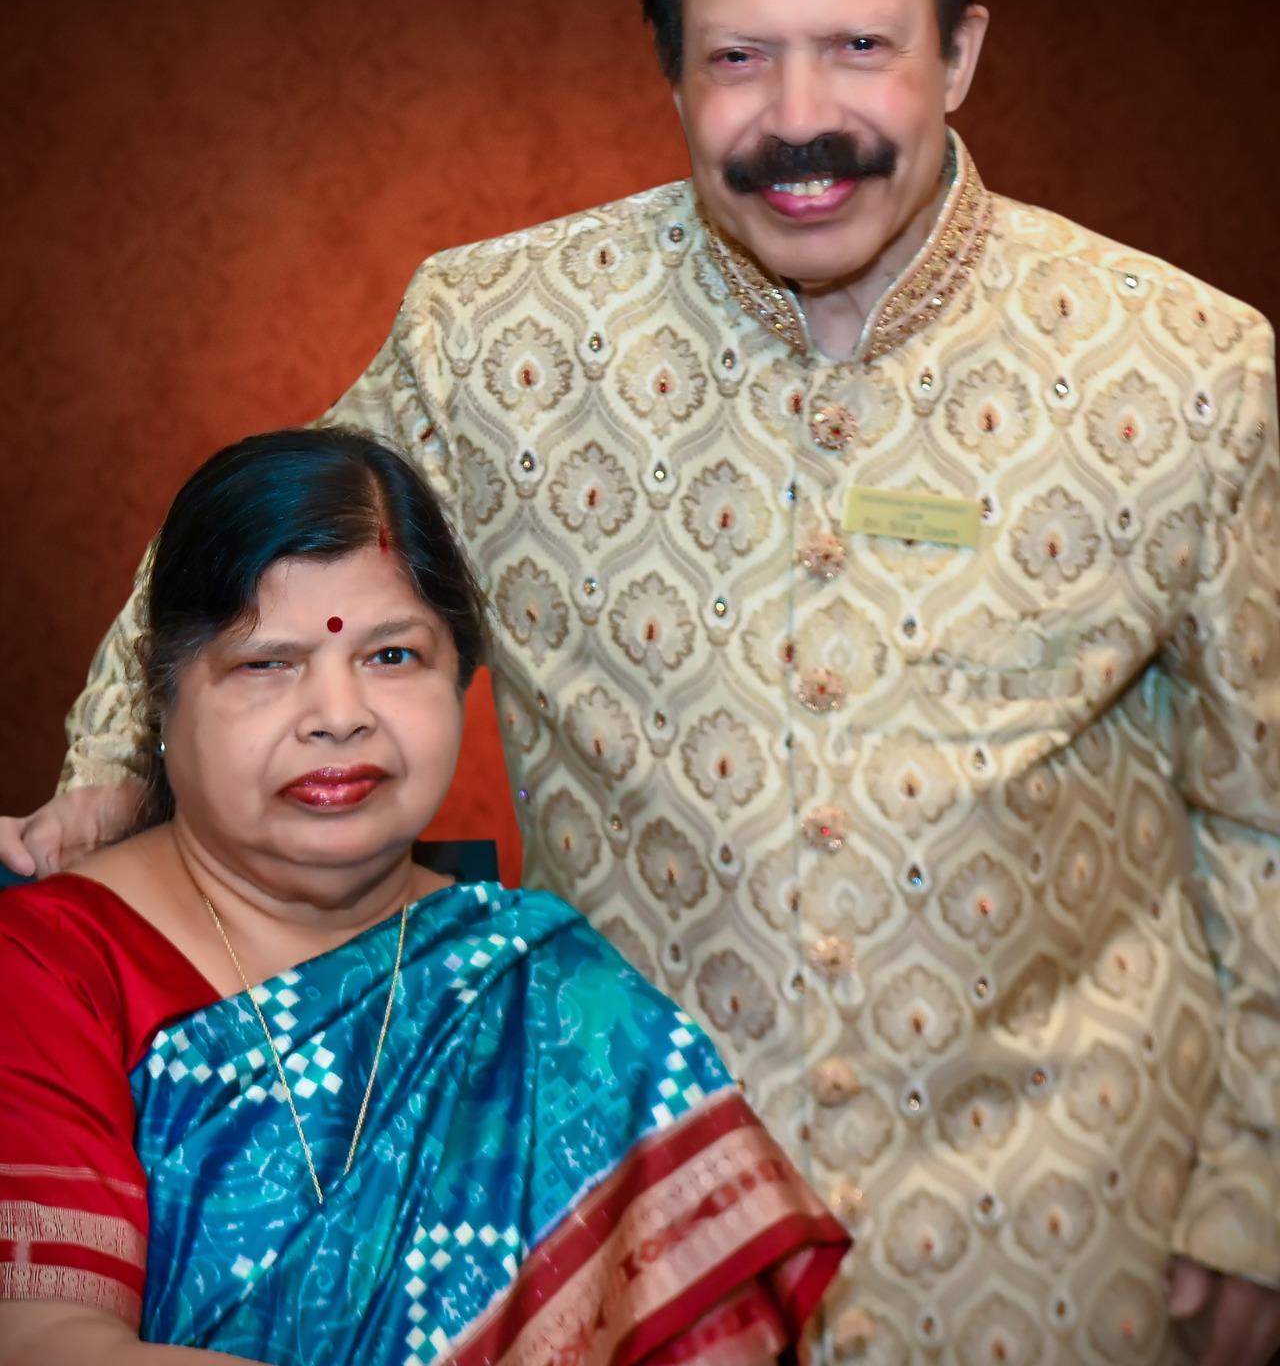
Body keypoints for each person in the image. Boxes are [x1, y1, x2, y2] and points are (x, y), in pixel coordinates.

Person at [4, 0, 1279, 1365]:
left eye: (861, 46)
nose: (799, 117)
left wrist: (1255, 1188)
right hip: (617, 1244)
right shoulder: (499, 344)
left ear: (959, 52)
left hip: (1064, 1236)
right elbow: (238, 569)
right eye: (738, 57)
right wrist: (110, 779)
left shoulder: (1187, 369)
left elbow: (1262, 808)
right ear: (672, 65)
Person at [0, 427, 848, 1366]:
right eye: (266, 663)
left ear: (461, 677)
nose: (338, 715)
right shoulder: (48, 969)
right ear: (163, 698)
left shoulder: (557, 996)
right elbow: (46, 1342)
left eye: (393, 656)